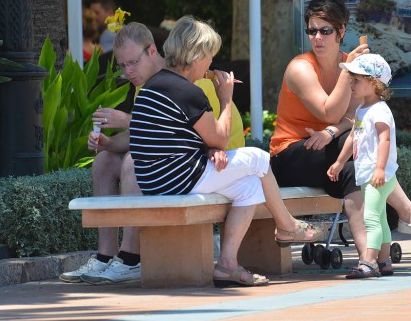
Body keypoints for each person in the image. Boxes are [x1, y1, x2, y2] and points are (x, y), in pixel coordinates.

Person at [73, 19, 328, 287]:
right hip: (178, 179)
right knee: (259, 158)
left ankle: (227, 264)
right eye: (209, 57)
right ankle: (287, 225)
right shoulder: (186, 91)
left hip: (159, 179)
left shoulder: (153, 85)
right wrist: (226, 98)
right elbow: (219, 136)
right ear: (196, 55)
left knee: (250, 184)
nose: (210, 64)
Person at [270, 0, 411, 274]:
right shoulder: (300, 68)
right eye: (312, 31)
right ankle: (407, 213)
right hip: (289, 154)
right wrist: (347, 74)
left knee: (356, 168)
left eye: (325, 31)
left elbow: (357, 116)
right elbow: (330, 112)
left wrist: (331, 131)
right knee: (359, 143)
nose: (318, 38)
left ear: (341, 31)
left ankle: (369, 258)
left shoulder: (349, 65)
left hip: (326, 149)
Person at [59, 26, 245, 284]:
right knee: (105, 161)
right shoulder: (145, 84)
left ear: (152, 51)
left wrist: (127, 119)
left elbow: (212, 135)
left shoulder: (193, 77)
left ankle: (131, 257)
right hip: (183, 158)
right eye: (122, 66)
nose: (128, 72)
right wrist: (109, 143)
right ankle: (105, 256)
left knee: (135, 160)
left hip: (213, 161)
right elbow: (147, 135)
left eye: (133, 62)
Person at [328, 54, 396, 278]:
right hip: (369, 174)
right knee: (381, 217)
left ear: (374, 83)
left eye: (356, 80)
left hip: (378, 175)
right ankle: (384, 261)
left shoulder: (379, 111)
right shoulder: (362, 110)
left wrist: (379, 169)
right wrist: (339, 162)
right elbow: (353, 138)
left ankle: (369, 262)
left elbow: (384, 140)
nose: (351, 84)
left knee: (371, 218)